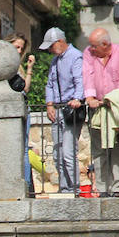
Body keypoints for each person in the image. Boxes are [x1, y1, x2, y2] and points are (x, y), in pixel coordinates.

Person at [82, 28, 119, 197]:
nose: (92, 49)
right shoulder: (88, 54)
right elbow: (87, 75)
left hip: (114, 106)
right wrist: (90, 98)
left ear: (105, 44)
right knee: (99, 150)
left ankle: (117, 188)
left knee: (118, 149)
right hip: (97, 107)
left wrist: (113, 99)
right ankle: (102, 188)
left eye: (94, 46)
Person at [40, 27, 84, 195]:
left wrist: (77, 99)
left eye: (51, 46)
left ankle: (75, 188)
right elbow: (50, 84)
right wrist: (49, 104)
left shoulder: (75, 57)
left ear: (60, 42)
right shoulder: (55, 61)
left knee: (67, 152)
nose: (50, 51)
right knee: (58, 154)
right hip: (57, 109)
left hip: (70, 109)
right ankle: (64, 188)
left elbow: (79, 81)